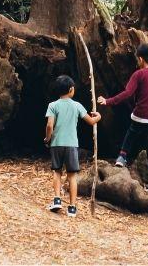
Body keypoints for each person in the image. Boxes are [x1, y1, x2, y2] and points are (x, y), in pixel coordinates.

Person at [99, 43, 148, 194]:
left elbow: (127, 93)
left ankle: (122, 157)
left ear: (140, 58)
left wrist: (108, 101)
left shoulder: (139, 74)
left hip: (141, 115)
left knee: (132, 133)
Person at [44, 75, 101, 217]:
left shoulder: (53, 105)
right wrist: (98, 117)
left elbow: (50, 125)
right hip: (71, 145)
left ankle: (57, 199)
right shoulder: (77, 105)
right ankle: (72, 208)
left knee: (56, 171)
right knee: (72, 176)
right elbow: (91, 121)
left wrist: (47, 138)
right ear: (71, 90)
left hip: (56, 144)